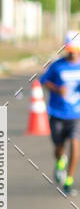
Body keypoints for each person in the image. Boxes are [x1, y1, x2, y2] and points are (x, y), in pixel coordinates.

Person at [39, 30, 80, 196]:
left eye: (75, 50)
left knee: (76, 145)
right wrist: (56, 89)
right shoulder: (57, 66)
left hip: (76, 114)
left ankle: (69, 180)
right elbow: (43, 81)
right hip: (57, 114)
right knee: (59, 147)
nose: (72, 54)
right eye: (69, 50)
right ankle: (60, 161)